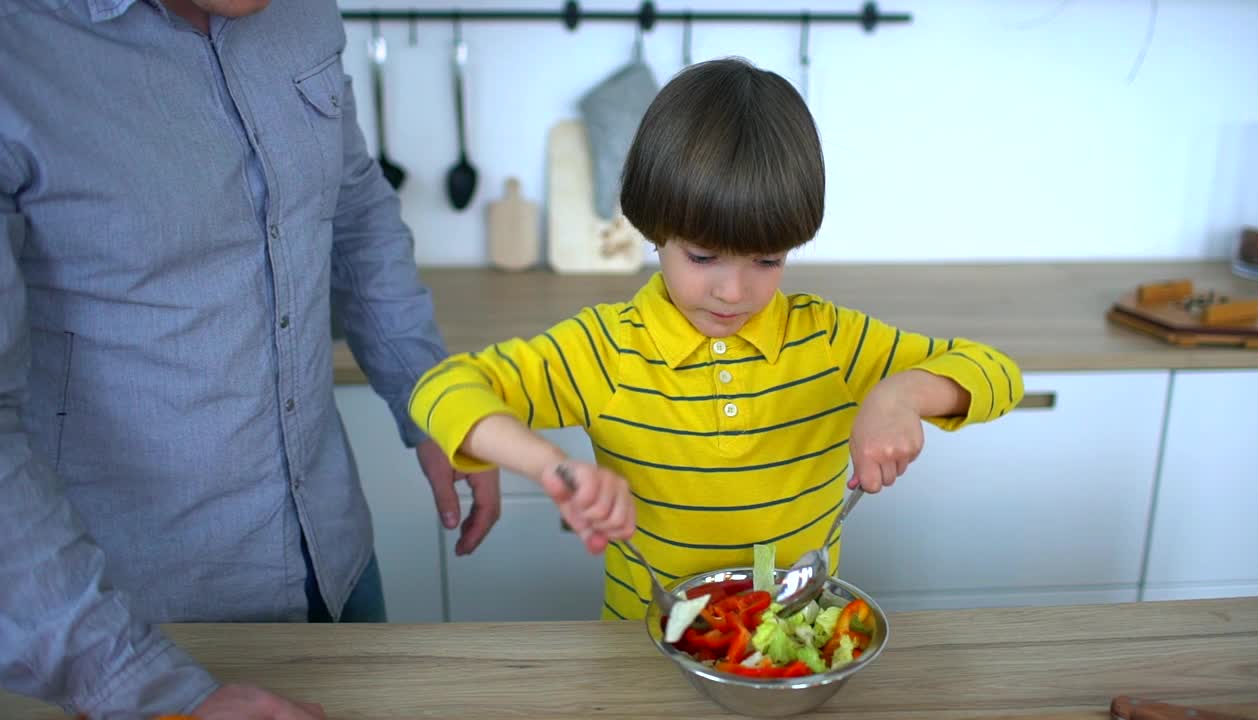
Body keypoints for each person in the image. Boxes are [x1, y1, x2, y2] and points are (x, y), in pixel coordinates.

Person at [0, 1, 499, 717]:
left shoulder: (299, 14)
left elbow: (353, 207)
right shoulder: (19, 48)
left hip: (334, 561)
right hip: (137, 629)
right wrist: (134, 685)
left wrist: (426, 395)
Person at [408, 57, 1025, 621]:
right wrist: (552, 468)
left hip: (797, 644)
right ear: (654, 230)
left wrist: (902, 394)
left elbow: (998, 373)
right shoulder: (607, 350)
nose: (734, 291)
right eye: (703, 257)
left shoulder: (832, 341)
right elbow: (442, 388)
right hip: (644, 649)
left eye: (766, 260)